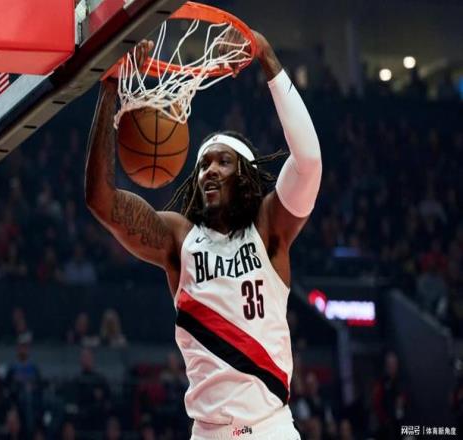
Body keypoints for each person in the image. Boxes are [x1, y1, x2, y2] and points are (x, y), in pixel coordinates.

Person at [85, 28, 322, 440]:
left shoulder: (269, 228)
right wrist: (109, 89)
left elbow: (309, 162)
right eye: (203, 164)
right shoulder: (180, 240)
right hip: (207, 432)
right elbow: (100, 200)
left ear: (244, 175)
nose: (209, 170)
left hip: (270, 429)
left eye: (222, 162)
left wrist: (266, 56)